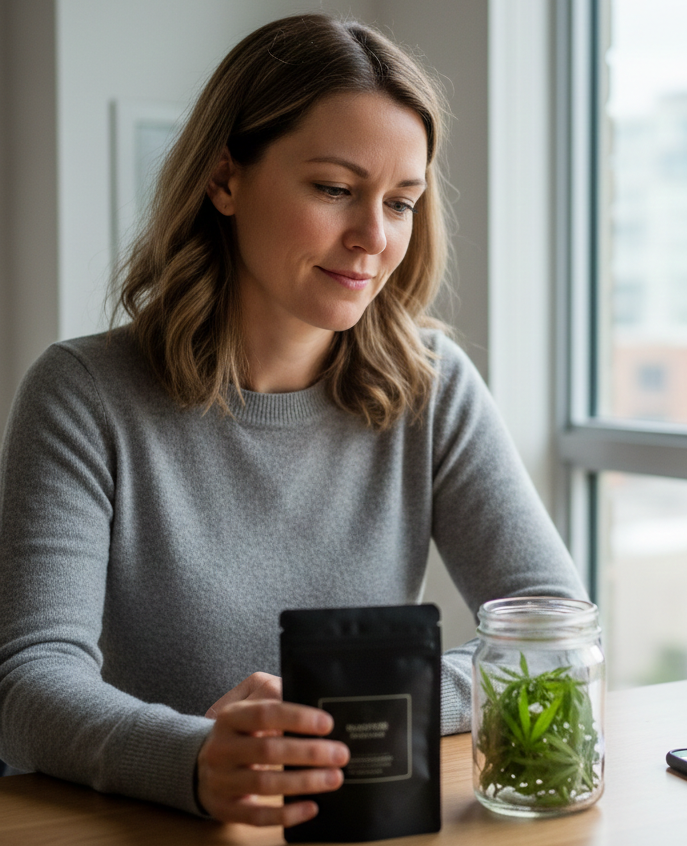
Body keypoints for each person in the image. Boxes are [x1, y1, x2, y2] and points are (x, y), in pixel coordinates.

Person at [0, 13, 586, 828]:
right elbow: (29, 680)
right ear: (225, 179)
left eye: (402, 201)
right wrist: (196, 760)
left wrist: (320, 723)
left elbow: (553, 633)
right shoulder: (82, 393)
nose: (373, 239)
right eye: (335, 189)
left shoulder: (433, 385)